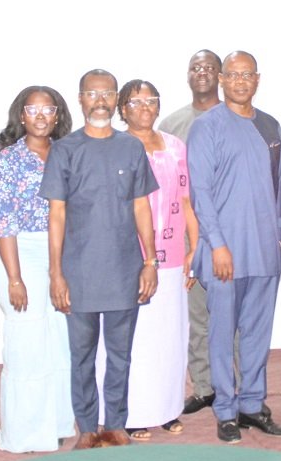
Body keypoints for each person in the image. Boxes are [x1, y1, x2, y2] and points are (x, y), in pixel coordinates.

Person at [39, 69, 159, 450]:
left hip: (125, 268)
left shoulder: (131, 147)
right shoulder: (65, 150)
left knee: (121, 355)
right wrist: (56, 273)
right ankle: (88, 426)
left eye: (107, 93)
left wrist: (150, 261)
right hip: (79, 272)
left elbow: (142, 205)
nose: (101, 100)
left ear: (115, 100)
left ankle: (117, 424)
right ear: (80, 99)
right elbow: (56, 214)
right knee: (82, 356)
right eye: (93, 93)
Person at [187, 51, 281, 444]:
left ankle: (251, 404)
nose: (241, 81)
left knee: (257, 334)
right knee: (221, 331)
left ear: (257, 79)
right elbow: (201, 192)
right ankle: (226, 411)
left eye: (248, 74)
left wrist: (278, 231)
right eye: (233, 74)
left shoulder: (269, 125)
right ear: (222, 80)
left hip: (264, 249)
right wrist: (217, 245)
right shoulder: (207, 126)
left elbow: (274, 186)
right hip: (224, 252)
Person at [95, 79, 197, 441]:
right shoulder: (113, 147)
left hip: (169, 259)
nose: (144, 107)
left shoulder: (176, 146)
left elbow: (186, 200)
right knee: (132, 339)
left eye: (150, 100)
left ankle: (167, 409)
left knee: (168, 337)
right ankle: (133, 412)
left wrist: (194, 247)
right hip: (128, 257)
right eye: (135, 101)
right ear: (122, 108)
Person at [0, 85, 75, 452]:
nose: (40, 116)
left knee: (58, 344)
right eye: (32, 110)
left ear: (58, 115)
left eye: (47, 109)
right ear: (20, 116)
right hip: (20, 254)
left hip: (64, 256)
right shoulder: (8, 159)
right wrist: (15, 277)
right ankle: (23, 434)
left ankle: (55, 423)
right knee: (27, 347)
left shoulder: (69, 154)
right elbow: (2, 221)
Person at [158, 49, 225, 416]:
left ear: (221, 75)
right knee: (197, 316)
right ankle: (203, 387)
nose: (202, 73)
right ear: (187, 76)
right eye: (195, 68)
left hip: (228, 235)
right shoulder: (171, 124)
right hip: (187, 236)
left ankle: (234, 387)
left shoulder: (235, 119)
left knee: (229, 317)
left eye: (209, 68)